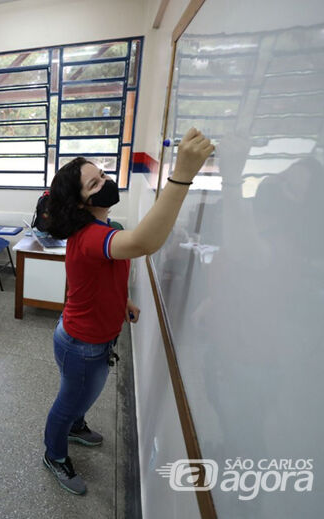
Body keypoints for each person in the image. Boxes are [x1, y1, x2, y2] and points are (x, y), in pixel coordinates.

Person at [41, 128, 213, 495]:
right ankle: (54, 454)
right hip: (82, 346)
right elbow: (144, 242)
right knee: (69, 401)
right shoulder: (90, 237)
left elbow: (90, 281)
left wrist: (123, 302)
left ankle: (75, 424)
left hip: (86, 337)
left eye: (102, 174)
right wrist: (181, 175)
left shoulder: (105, 227)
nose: (105, 181)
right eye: (94, 183)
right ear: (81, 203)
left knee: (79, 397)